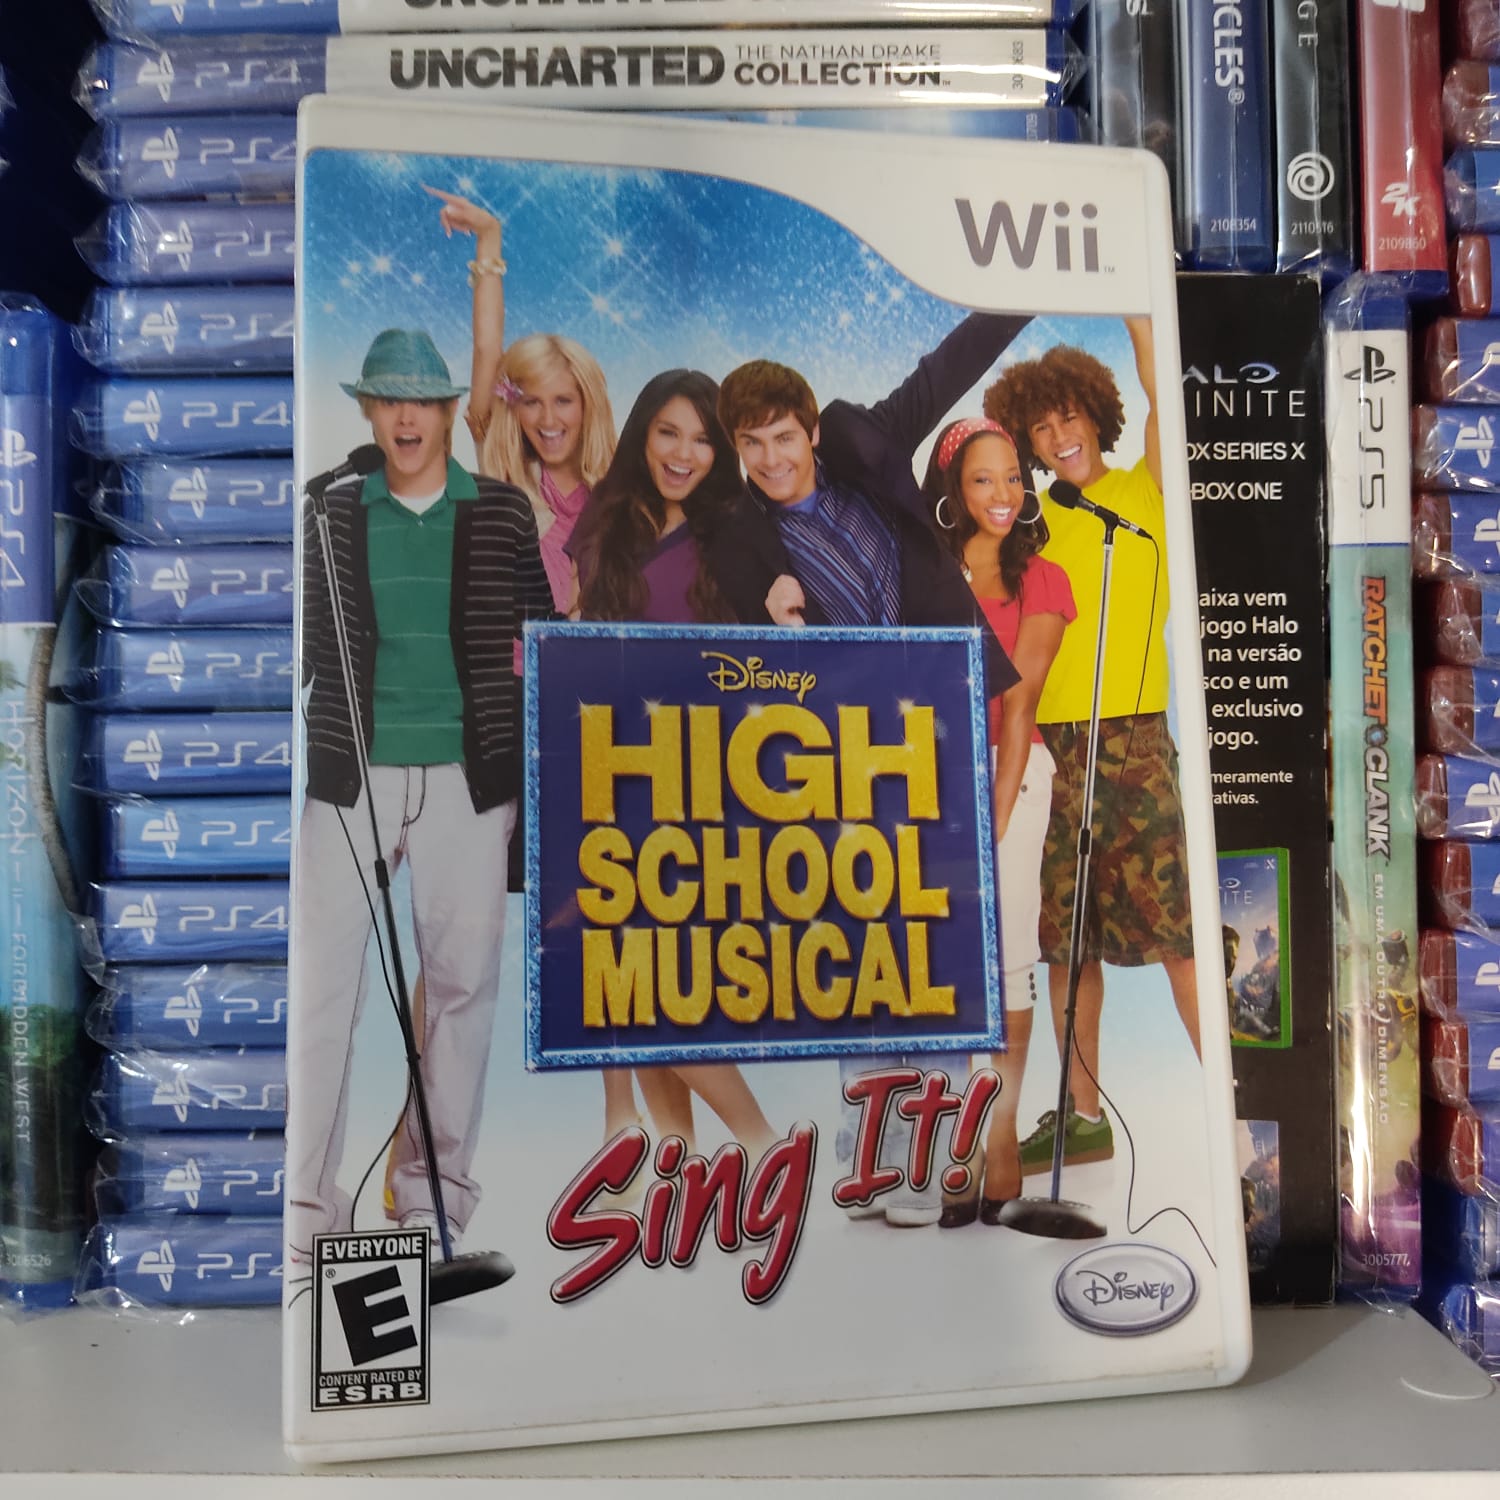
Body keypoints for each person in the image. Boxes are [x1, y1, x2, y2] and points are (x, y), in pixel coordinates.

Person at [707, 311, 1031, 1227]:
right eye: (751, 445)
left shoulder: (863, 442)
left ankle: (924, 1154)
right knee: (856, 946)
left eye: (782, 437)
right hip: (838, 753)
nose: (771, 460)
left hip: (937, 720)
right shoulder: (740, 533)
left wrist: (1021, 288)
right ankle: (871, 1146)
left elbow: (948, 363)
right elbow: (739, 616)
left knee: (935, 935)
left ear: (810, 429)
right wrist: (769, 605)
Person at [288, 328, 554, 1260]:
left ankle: (430, 1204)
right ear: (369, 411)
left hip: (469, 782)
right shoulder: (328, 511)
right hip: (349, 773)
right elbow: (303, 647)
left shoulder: (502, 514)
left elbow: (544, 636)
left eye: (422, 401)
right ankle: (305, 1212)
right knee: (323, 985)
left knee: (461, 988)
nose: (405, 417)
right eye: (387, 399)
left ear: (447, 413)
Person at [983, 318, 1200, 1181]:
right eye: (1041, 427)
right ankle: (1082, 1118)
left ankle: (1231, 1099)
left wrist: (1142, 318)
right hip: (1051, 750)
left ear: (1097, 416)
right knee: (1066, 947)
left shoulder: (1146, 490)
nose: (1058, 436)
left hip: (1136, 742)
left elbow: (1164, 388)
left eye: (1069, 416)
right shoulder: (1035, 528)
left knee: (1178, 935)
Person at [570, 369, 778, 1156]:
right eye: (668, 432)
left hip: (702, 775)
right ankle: (685, 1164)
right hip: (611, 771)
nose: (682, 453)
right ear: (643, 434)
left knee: (663, 990)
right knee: (635, 983)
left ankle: (761, 1142)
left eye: (701, 439)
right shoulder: (604, 520)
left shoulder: (734, 533)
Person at [917, 418, 1075, 1227]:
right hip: (924, 775)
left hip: (1012, 772)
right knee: (944, 962)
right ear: (954, 491)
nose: (1004, 494)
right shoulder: (924, 575)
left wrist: (996, 814)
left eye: (1014, 477)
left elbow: (1020, 704)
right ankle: (958, 1140)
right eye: (983, 479)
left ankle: (1002, 1134)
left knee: (1009, 956)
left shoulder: (1043, 579)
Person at [428, 186, 616, 615]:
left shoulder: (616, 489)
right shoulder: (508, 477)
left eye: (563, 401)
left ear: (587, 404)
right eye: (531, 402)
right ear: (513, 407)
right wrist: (488, 237)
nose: (548, 418)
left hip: (589, 656)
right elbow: (486, 349)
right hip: (508, 657)